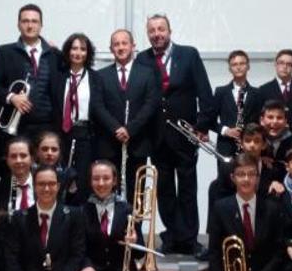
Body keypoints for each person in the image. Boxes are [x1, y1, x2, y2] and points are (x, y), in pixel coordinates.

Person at [136, 13, 212, 256]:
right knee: (165, 189)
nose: (157, 34)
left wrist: (201, 126)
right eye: (152, 30)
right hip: (156, 136)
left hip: (185, 134)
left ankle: (189, 239)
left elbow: (205, 93)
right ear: (148, 34)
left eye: (161, 29)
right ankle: (173, 235)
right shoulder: (142, 59)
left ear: (169, 31)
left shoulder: (188, 54)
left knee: (188, 187)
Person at [92, 29, 160, 197]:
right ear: (111, 48)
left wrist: (130, 129)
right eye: (116, 44)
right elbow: (98, 106)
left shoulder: (148, 73)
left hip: (138, 144)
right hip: (109, 144)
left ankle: (134, 225)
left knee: (137, 194)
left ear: (133, 46)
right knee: (107, 193)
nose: (121, 47)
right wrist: (116, 129)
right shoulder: (100, 76)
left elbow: (150, 105)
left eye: (124, 43)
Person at [0, 4, 60, 139]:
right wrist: (11, 97)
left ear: (41, 25)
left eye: (34, 21)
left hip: (48, 127)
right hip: (16, 126)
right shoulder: (5, 52)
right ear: (18, 25)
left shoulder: (54, 54)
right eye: (25, 21)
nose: (30, 26)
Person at [50, 32, 100, 198]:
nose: (78, 53)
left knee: (82, 183)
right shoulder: (58, 76)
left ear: (88, 53)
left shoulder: (95, 78)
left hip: (85, 134)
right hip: (61, 134)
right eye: (74, 48)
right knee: (60, 180)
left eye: (82, 49)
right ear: (67, 51)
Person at [206, 50, 263, 172]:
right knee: (225, 181)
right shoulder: (220, 92)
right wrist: (226, 130)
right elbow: (209, 120)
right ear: (230, 68)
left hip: (250, 146)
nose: (238, 67)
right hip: (226, 146)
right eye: (234, 64)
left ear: (248, 66)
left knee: (249, 180)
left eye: (242, 63)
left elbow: (260, 121)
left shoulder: (258, 93)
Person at [257, 49, 292, 139]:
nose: (285, 67)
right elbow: (259, 118)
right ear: (275, 65)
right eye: (281, 63)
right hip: (271, 140)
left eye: (289, 64)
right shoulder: (263, 90)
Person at [0, 137, 36, 214]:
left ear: (32, 159)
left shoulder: (43, 184)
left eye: (23, 156)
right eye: (13, 156)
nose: (18, 160)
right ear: (7, 160)